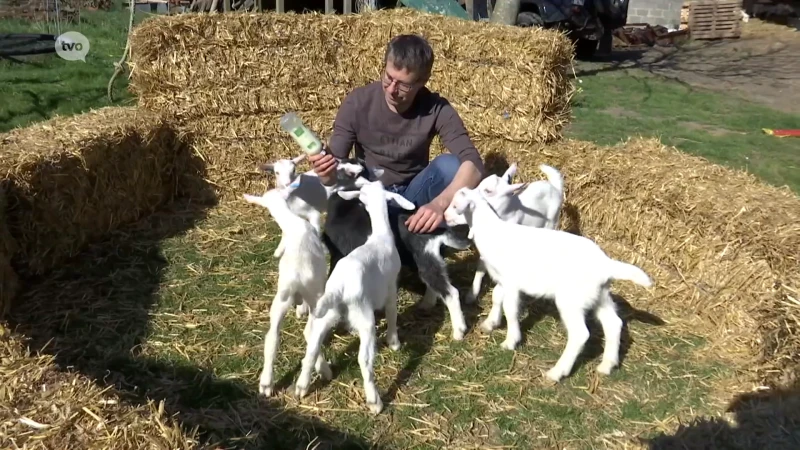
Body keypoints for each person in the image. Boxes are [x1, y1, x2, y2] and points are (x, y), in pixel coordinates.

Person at [308, 33, 486, 234]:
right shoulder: (357, 102)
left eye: (404, 85)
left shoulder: (436, 108)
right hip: (370, 194)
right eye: (389, 77)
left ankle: (414, 229)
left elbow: (474, 164)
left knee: (449, 166)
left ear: (423, 81)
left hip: (412, 195)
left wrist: (438, 204)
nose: (392, 90)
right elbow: (335, 171)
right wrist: (326, 173)